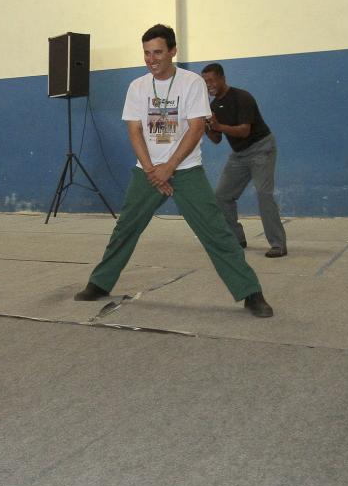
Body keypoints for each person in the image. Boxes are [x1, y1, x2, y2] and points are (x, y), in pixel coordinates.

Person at [73, 24, 273, 318]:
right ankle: (100, 283)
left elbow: (195, 129)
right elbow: (134, 131)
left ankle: (251, 293)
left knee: (216, 232)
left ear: (172, 51)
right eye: (146, 54)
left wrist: (170, 167)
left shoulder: (191, 83)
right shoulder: (137, 87)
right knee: (125, 229)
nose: (151, 59)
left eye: (157, 52)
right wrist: (154, 170)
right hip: (148, 172)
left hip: (186, 170)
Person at [201, 63, 287, 257]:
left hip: (261, 148)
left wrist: (218, 125)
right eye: (205, 82)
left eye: (211, 80)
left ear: (222, 78)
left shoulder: (242, 97)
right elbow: (216, 139)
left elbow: (244, 130)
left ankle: (278, 244)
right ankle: (236, 239)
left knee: (264, 194)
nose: (209, 85)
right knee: (222, 196)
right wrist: (205, 126)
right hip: (239, 154)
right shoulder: (213, 106)